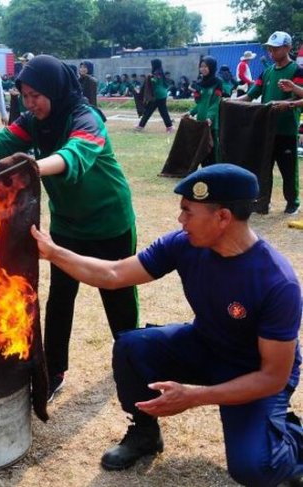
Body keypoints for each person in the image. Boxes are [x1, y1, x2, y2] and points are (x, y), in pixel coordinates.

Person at [31, 164, 303, 486]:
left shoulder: (276, 282)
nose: (180, 221)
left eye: (188, 212)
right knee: (133, 347)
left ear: (223, 218)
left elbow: (273, 376)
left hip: (253, 372)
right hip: (206, 344)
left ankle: (292, 440)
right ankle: (145, 433)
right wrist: (53, 253)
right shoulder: (184, 244)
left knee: (254, 467)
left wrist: (194, 395)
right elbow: (114, 274)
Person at [0, 55, 138, 402]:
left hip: (109, 222)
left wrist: (29, 168)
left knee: (119, 302)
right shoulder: (33, 122)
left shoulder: (87, 118)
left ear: (54, 89)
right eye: (24, 95)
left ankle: (132, 364)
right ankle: (53, 371)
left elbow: (74, 155)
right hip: (68, 225)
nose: (30, 103)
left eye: (36, 95)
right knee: (60, 300)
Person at [238, 31, 303, 215]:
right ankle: (262, 202)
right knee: (263, 168)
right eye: (269, 49)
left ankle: (292, 202)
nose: (271, 52)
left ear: (288, 48)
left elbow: (300, 96)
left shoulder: (297, 72)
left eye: (275, 48)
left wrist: (288, 104)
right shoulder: (266, 72)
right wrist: (229, 102)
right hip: (266, 130)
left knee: (288, 169)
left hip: (286, 129)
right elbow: (250, 95)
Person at [183, 56, 224, 165]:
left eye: (206, 66)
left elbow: (216, 103)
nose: (203, 69)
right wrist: (190, 112)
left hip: (211, 122)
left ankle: (216, 170)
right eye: (201, 66)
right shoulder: (200, 84)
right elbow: (200, 104)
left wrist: (210, 117)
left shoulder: (218, 82)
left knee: (212, 148)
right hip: (201, 121)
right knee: (201, 148)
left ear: (212, 67)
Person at [135, 59, 174, 133]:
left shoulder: (156, 73)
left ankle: (140, 126)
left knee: (149, 111)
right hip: (163, 94)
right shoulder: (160, 72)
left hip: (157, 95)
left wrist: (150, 78)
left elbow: (155, 81)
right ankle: (169, 127)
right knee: (163, 111)